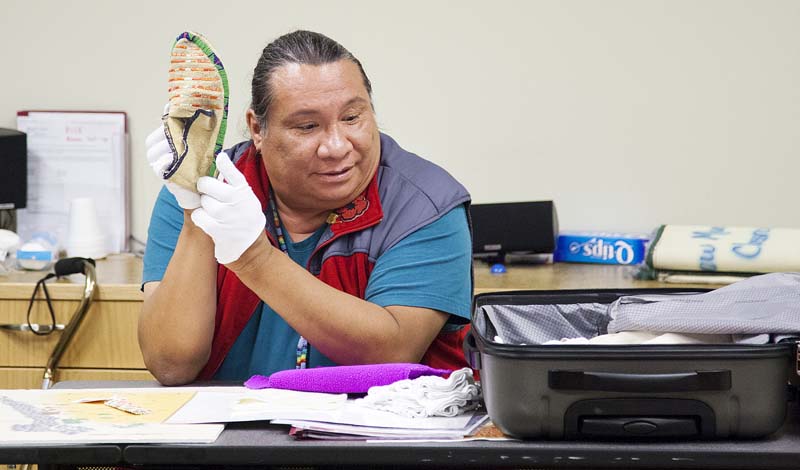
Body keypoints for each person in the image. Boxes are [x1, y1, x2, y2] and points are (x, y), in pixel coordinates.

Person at [139, 30, 473, 385]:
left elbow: (390, 353)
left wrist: (254, 258)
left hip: (376, 433)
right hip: (227, 433)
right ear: (257, 129)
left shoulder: (426, 205)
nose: (336, 146)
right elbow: (171, 364)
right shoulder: (208, 190)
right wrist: (195, 212)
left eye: (352, 118)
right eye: (307, 126)